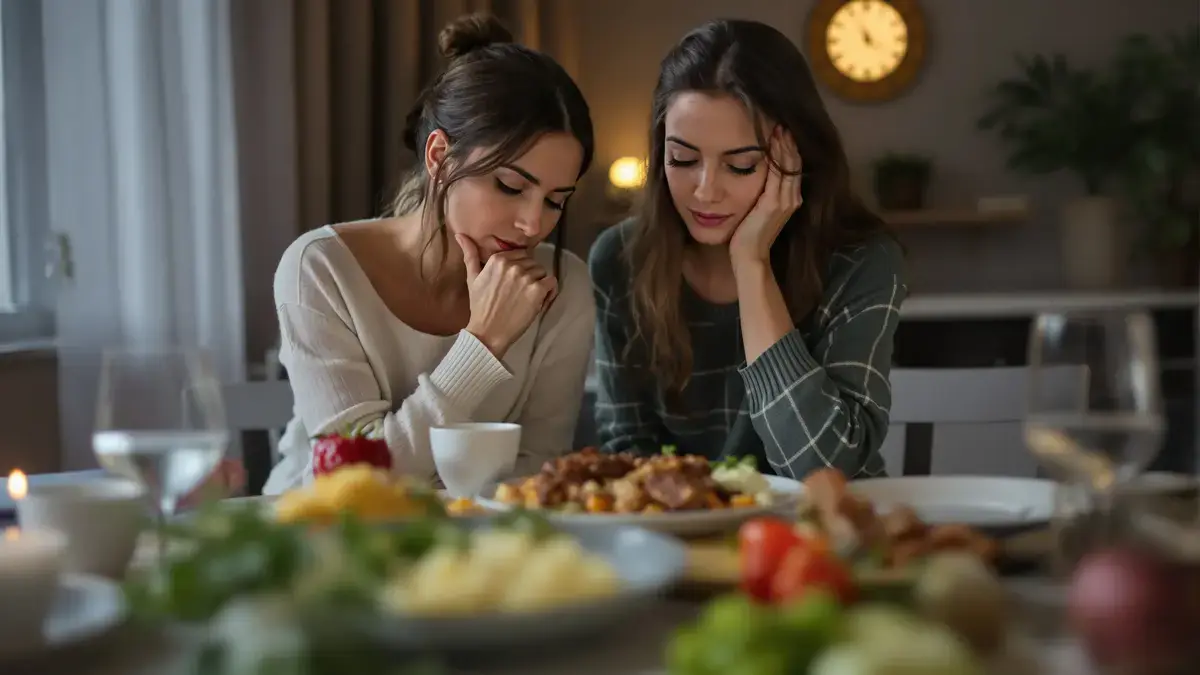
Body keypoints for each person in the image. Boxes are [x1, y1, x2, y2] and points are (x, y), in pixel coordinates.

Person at [263, 13, 596, 494]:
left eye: (555, 200)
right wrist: (482, 345)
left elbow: (536, 474)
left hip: (474, 549)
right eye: (509, 186)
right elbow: (354, 481)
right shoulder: (320, 268)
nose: (533, 223)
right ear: (439, 156)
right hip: (319, 538)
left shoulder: (562, 287)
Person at [590, 19, 907, 481]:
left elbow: (822, 470)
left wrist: (752, 265)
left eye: (740, 166)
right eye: (683, 159)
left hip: (819, 536)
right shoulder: (619, 259)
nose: (705, 191)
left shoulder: (861, 262)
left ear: (795, 158)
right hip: (677, 536)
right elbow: (628, 454)